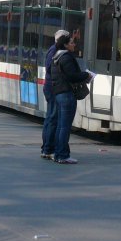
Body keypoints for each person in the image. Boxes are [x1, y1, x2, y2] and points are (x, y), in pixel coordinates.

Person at [50, 33, 92, 164]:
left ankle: (58, 154)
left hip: (59, 93)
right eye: (72, 42)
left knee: (60, 126)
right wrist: (86, 74)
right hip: (67, 94)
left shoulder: (56, 56)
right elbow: (72, 76)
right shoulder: (66, 57)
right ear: (66, 44)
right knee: (65, 127)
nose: (74, 44)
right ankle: (62, 155)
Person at [40, 29, 68, 160]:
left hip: (50, 87)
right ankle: (48, 148)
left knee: (51, 118)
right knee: (52, 118)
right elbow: (50, 68)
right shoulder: (54, 51)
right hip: (53, 88)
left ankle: (47, 147)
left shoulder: (53, 49)